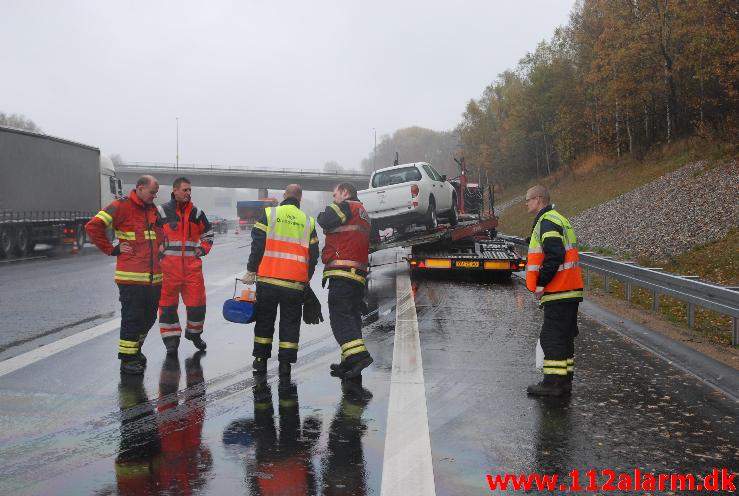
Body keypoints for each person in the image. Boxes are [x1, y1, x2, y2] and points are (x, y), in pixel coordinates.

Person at [86, 175, 163, 375]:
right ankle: (127, 359)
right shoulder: (121, 206)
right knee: (133, 318)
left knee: (149, 318)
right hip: (131, 278)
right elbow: (93, 226)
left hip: (154, 278)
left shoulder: (152, 209)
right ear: (139, 188)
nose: (154, 197)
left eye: (156, 193)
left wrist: (163, 244)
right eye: (152, 192)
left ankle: (135, 351)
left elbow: (159, 232)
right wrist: (112, 249)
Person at [241, 184, 319, 376]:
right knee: (290, 324)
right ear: (300, 198)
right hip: (294, 284)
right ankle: (285, 364)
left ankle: (260, 361)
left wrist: (251, 270)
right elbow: (314, 256)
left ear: (284, 196)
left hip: (268, 280)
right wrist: (305, 279)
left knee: (264, 321)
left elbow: (257, 245)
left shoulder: (270, 214)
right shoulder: (308, 221)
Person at [525, 185, 584, 396]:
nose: (526, 204)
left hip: (559, 289)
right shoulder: (559, 218)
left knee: (552, 336)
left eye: (528, 200)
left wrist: (541, 283)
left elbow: (555, 254)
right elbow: (554, 248)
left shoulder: (547, 221)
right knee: (565, 336)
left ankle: (553, 384)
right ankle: (564, 381)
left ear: (539, 199)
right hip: (570, 289)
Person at [316, 183, 373, 380]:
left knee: (340, 317)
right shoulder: (364, 212)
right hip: (357, 274)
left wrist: (331, 208)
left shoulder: (347, 206)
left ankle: (359, 356)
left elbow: (324, 219)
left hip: (342, 272)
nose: (333, 199)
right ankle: (348, 361)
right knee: (351, 317)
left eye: (335, 194)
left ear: (346, 193)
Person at [155, 177, 213, 354]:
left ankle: (194, 334)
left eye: (190, 190)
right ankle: (171, 341)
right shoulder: (161, 211)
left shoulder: (197, 213)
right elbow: (150, 233)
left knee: (197, 304)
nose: (188, 193)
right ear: (175, 190)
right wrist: (157, 247)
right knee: (167, 306)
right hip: (168, 269)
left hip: (191, 269)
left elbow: (208, 234)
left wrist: (203, 249)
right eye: (185, 190)